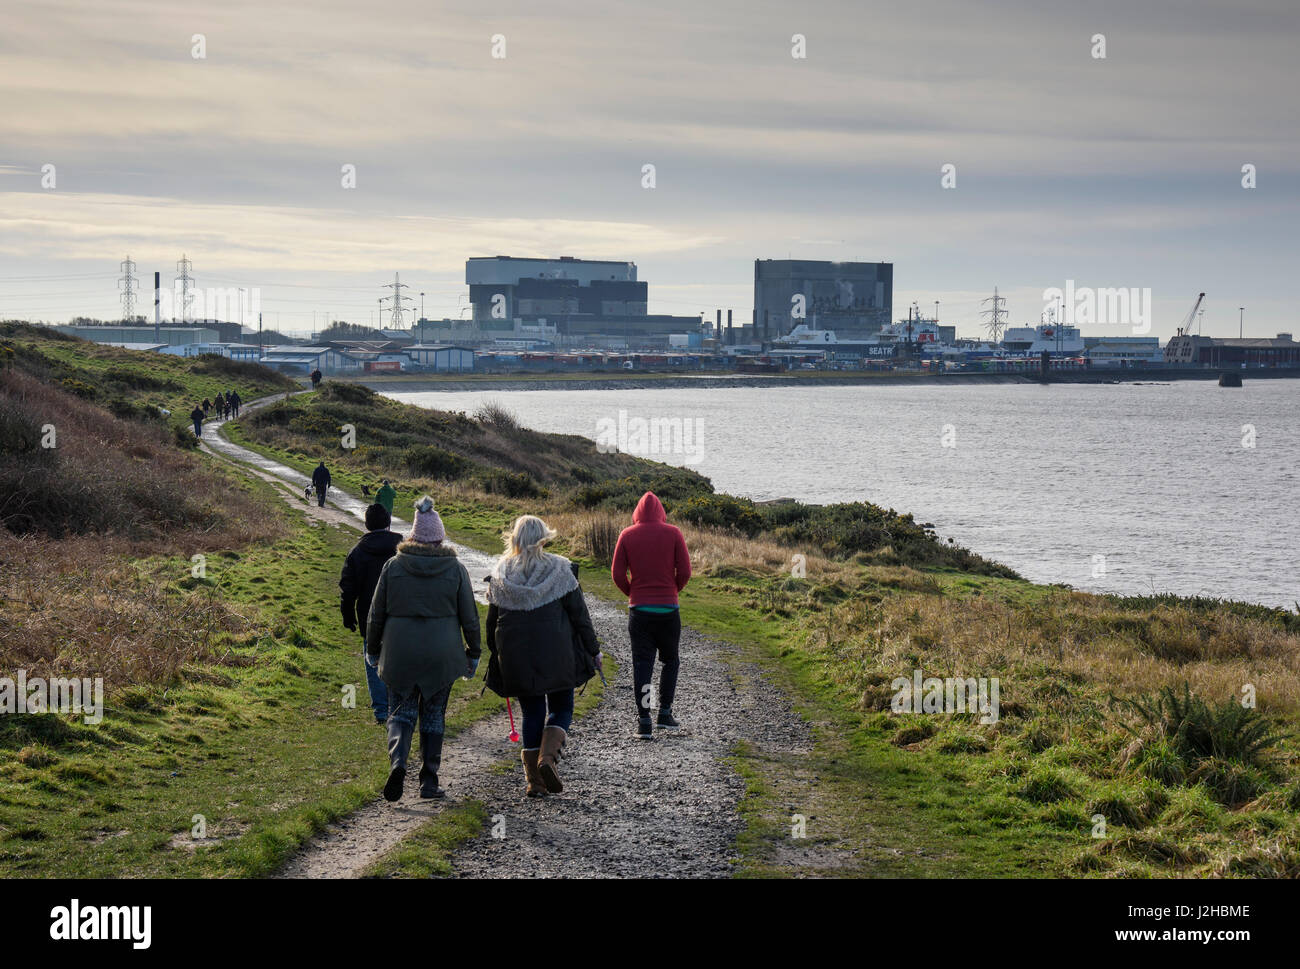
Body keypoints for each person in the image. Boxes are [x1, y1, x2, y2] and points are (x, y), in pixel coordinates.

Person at [366, 497, 480, 801]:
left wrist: (372, 648)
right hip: (442, 656)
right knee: (433, 715)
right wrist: (474, 652)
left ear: (413, 536)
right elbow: (469, 616)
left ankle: (398, 764)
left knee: (400, 712)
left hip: (400, 653)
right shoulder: (455, 568)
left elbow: (376, 613)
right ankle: (429, 781)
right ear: (440, 537)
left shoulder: (393, 566)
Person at [485, 516, 600, 797]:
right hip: (557, 655)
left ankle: (534, 783)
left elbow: (491, 625)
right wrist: (593, 650)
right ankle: (547, 760)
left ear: (514, 538)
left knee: (533, 712)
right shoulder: (561, 570)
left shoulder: (501, 575)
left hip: (517, 658)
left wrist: (496, 654)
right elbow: (580, 617)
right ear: (544, 539)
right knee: (562, 707)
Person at [611, 491, 691, 740]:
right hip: (668, 610)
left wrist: (633, 593)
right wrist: (672, 591)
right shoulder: (674, 533)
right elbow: (686, 571)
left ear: (637, 512)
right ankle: (665, 714)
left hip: (640, 612)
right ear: (661, 512)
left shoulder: (627, 535)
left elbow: (617, 574)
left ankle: (644, 721)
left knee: (642, 664)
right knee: (670, 661)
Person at [340, 503, 402, 723]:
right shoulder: (403, 548)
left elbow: (348, 589)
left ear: (366, 524)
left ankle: (381, 711)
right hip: (401, 614)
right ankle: (399, 706)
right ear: (388, 522)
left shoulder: (358, 552)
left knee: (372, 661)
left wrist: (348, 617)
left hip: (369, 616)